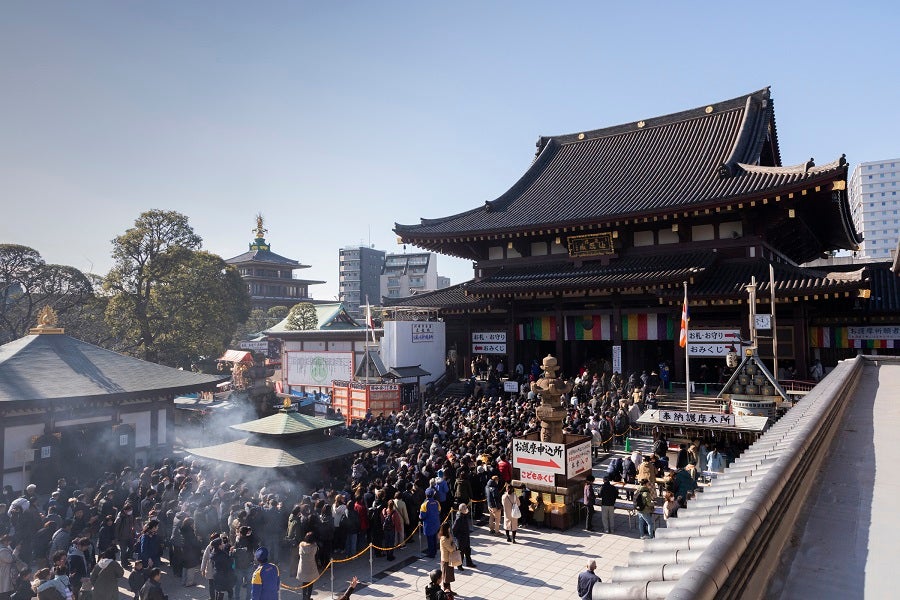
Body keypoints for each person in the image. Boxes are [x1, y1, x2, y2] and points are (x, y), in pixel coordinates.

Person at [451, 504, 475, 569]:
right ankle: (459, 565)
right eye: (465, 508)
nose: (466, 509)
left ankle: (469, 563)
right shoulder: (459, 518)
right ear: (461, 510)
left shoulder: (464, 515)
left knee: (467, 550)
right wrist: (458, 537)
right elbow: (454, 529)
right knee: (461, 552)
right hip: (461, 539)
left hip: (466, 536)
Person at [418, 489, 440, 559]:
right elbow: (439, 511)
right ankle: (435, 551)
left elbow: (422, 516)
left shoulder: (424, 504)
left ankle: (431, 554)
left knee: (430, 539)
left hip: (428, 524)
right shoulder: (437, 502)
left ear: (426, 495)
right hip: (436, 523)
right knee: (434, 537)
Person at [295, 532, 318, 600]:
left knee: (304, 583)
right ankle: (308, 597)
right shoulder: (314, 547)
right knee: (310, 583)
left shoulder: (301, 546)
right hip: (311, 567)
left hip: (302, 567)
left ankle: (304, 597)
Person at [437, 522, 456, 596]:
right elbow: (451, 548)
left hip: (450, 559)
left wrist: (453, 544)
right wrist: (454, 546)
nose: (449, 529)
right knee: (445, 577)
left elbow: (452, 542)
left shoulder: (448, 535)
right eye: (448, 527)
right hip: (445, 560)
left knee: (448, 577)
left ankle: (449, 590)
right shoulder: (443, 539)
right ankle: (446, 592)